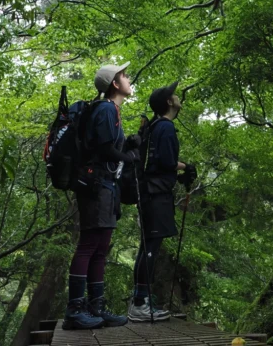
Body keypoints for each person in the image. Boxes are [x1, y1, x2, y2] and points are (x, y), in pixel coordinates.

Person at [63, 62, 141, 330]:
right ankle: (75, 310)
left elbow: (107, 147)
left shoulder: (111, 110)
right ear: (115, 84)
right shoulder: (107, 108)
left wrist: (128, 145)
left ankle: (96, 306)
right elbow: (105, 149)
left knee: (100, 247)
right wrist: (128, 156)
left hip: (105, 187)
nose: (128, 78)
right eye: (124, 75)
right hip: (96, 186)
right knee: (89, 245)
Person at [128, 81, 197, 322]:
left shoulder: (156, 126)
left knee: (147, 248)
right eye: (174, 95)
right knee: (150, 249)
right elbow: (166, 162)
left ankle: (140, 301)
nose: (177, 97)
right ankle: (140, 305)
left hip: (150, 192)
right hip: (155, 195)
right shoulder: (165, 127)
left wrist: (178, 172)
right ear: (169, 102)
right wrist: (186, 167)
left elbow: (158, 162)